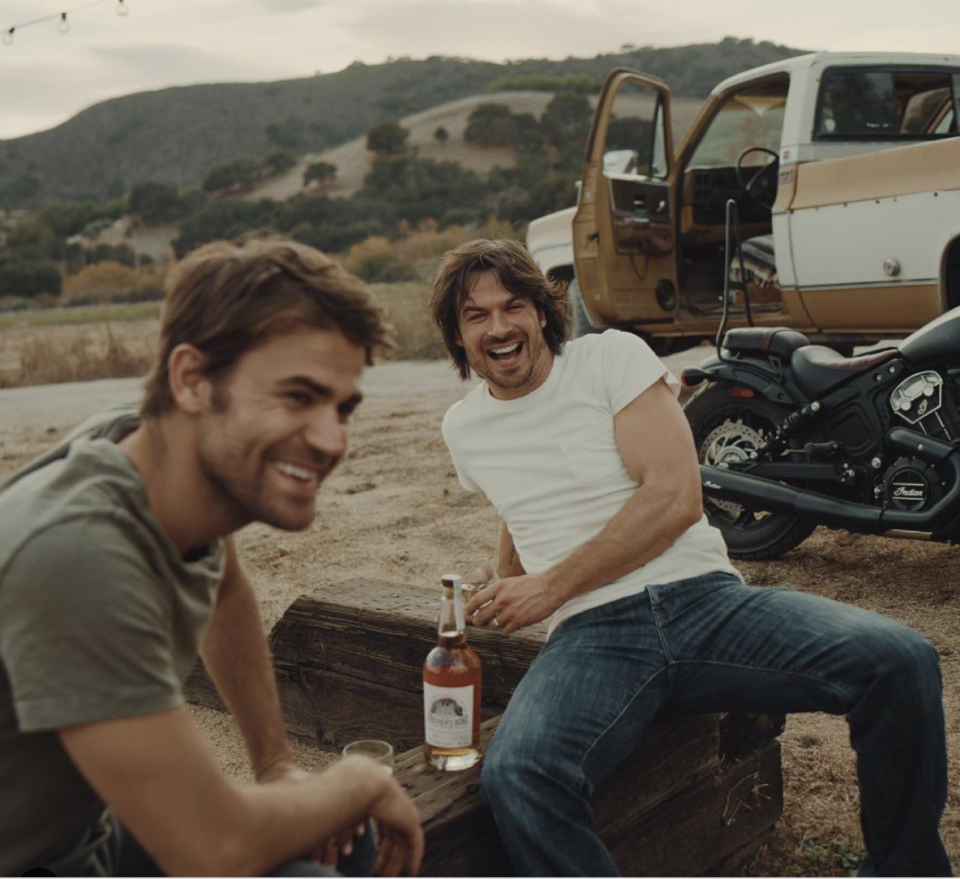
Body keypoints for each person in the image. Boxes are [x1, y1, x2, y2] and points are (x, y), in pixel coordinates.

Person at [429, 238, 951, 877]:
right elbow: (518, 498)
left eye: (513, 306)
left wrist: (550, 585)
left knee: (900, 660)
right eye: (476, 316)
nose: (499, 327)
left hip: (703, 601)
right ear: (457, 335)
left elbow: (675, 497)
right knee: (519, 774)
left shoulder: (609, 358)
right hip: (594, 639)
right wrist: (508, 578)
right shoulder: (464, 427)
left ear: (541, 310)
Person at [0, 239, 425, 878]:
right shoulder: (76, 551)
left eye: (342, 407)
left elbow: (224, 589)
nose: (333, 440)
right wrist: (359, 779)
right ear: (192, 379)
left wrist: (276, 764)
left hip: (86, 836)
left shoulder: (147, 449)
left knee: (345, 838)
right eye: (298, 397)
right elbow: (215, 852)